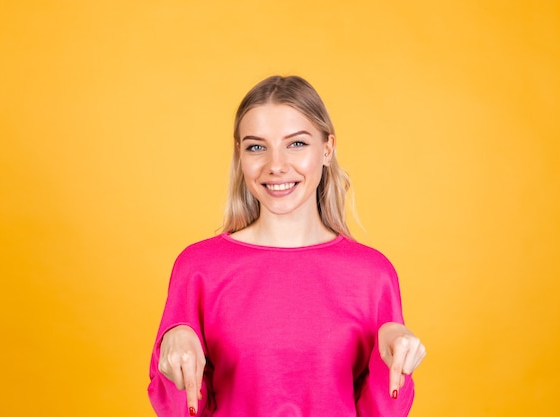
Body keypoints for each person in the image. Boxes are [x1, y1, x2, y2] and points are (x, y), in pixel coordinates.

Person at [148, 75, 426, 417]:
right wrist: (174, 343)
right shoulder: (198, 268)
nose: (276, 165)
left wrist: (391, 362)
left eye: (296, 144)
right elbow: (181, 410)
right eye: (256, 146)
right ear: (240, 155)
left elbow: (382, 411)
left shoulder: (372, 274)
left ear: (327, 149)